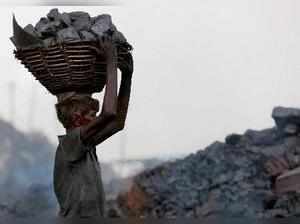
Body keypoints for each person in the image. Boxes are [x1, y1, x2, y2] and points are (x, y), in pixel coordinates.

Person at [53, 40, 133, 218]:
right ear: (76, 117)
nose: (95, 118)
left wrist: (127, 76)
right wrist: (111, 61)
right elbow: (109, 113)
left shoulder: (87, 147)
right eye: (90, 114)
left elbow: (117, 122)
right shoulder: (69, 144)